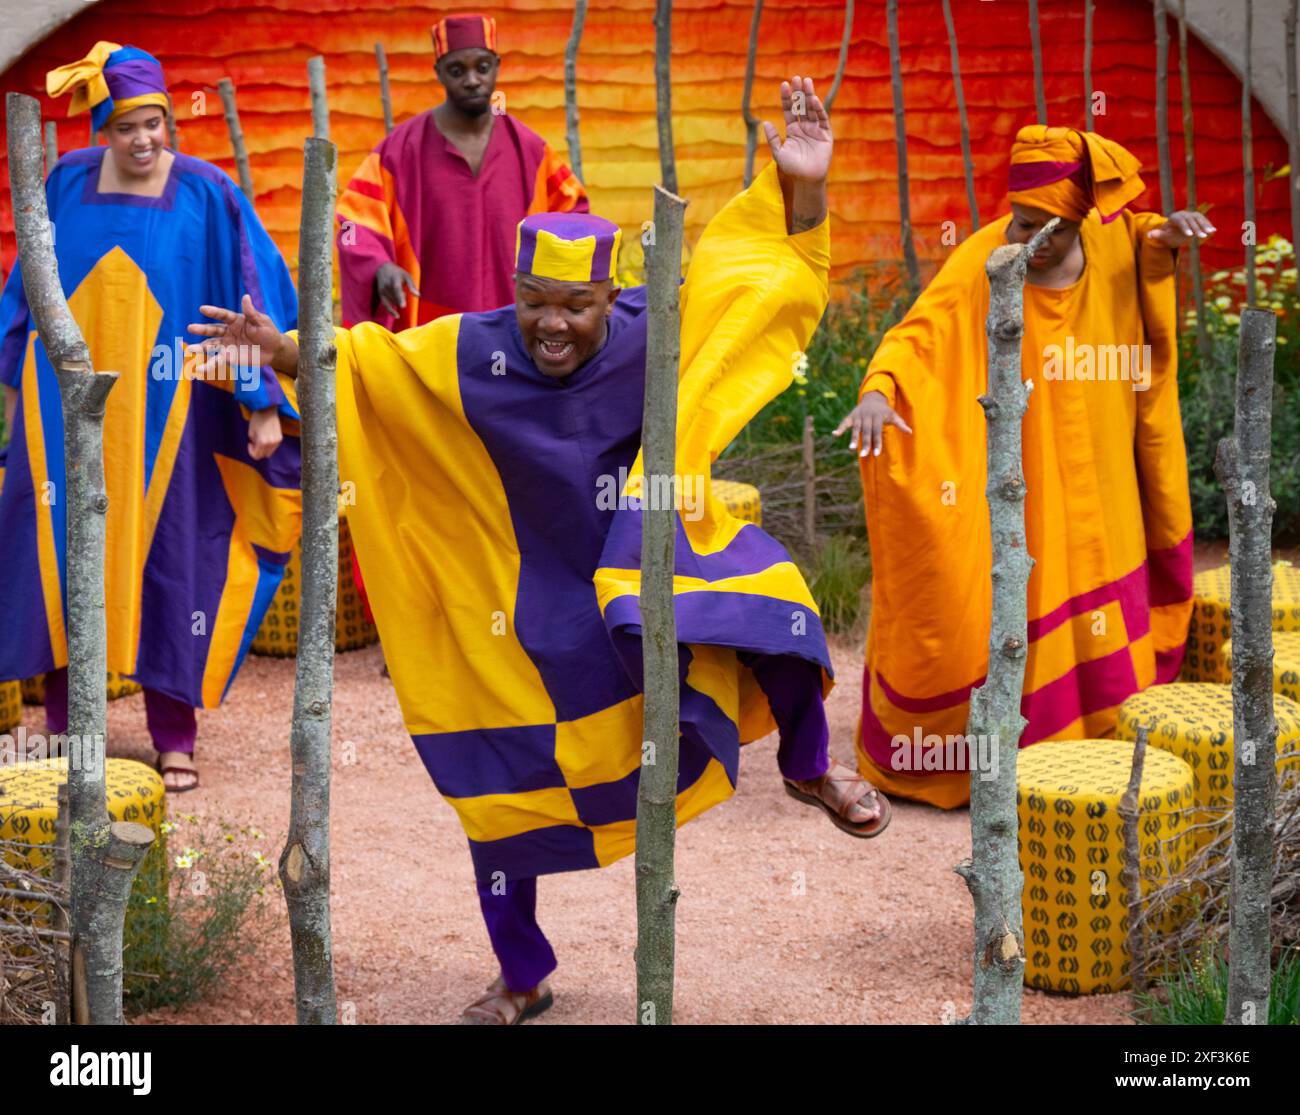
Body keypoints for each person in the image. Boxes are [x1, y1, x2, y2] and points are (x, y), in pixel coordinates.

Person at [193, 76, 889, 1024]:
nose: (551, 325)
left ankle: (808, 762)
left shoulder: (655, 329)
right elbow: (363, 361)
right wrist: (278, 349)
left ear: (613, 298)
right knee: (495, 791)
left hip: (634, 563)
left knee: (773, 600)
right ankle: (523, 974)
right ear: (513, 294)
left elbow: (755, 273)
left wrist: (801, 188)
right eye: (534, 304)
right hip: (518, 606)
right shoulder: (473, 350)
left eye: (574, 306)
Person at [835, 125, 1209, 810]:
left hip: (1103, 465)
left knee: (1099, 568)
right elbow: (925, 328)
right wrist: (877, 391)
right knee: (1020, 591)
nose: (1027, 238)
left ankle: (1101, 733)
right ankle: (1017, 755)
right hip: (1025, 472)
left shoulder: (1114, 239)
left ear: (1080, 219)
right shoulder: (990, 255)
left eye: (1045, 228)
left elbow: (1150, 248)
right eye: (1019, 220)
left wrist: (1169, 243)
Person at [0, 42, 301, 794]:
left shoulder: (208, 193)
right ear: (103, 128)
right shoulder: (64, 183)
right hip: (66, 413)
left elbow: (244, 300)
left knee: (175, 563)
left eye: (156, 122)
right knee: (66, 559)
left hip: (174, 415)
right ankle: (70, 733)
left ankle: (174, 735)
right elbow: (22, 292)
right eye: (127, 125)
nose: (143, 139)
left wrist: (261, 400)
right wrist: (7, 394)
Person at [336, 12, 589, 330]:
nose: (472, 80)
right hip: (426, 333)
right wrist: (378, 266)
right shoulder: (400, 151)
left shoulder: (531, 151)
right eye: (457, 70)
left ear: (497, 66)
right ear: (439, 73)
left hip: (514, 328)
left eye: (482, 67)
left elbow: (575, 217)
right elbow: (354, 224)